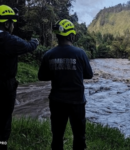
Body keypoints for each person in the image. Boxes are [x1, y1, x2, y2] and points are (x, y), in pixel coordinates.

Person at [38, 19, 93, 150]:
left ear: (57, 36)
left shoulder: (48, 55)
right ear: (71, 35)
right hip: (77, 101)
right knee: (79, 136)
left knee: (57, 136)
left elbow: (41, 77)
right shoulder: (80, 53)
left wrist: (57, 72)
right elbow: (89, 75)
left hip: (57, 101)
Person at [0, 5, 39, 150]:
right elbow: (29, 47)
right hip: (5, 86)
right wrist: (35, 42)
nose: (13, 25)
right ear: (6, 23)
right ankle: (2, 144)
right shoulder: (9, 40)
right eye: (12, 23)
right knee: (4, 120)